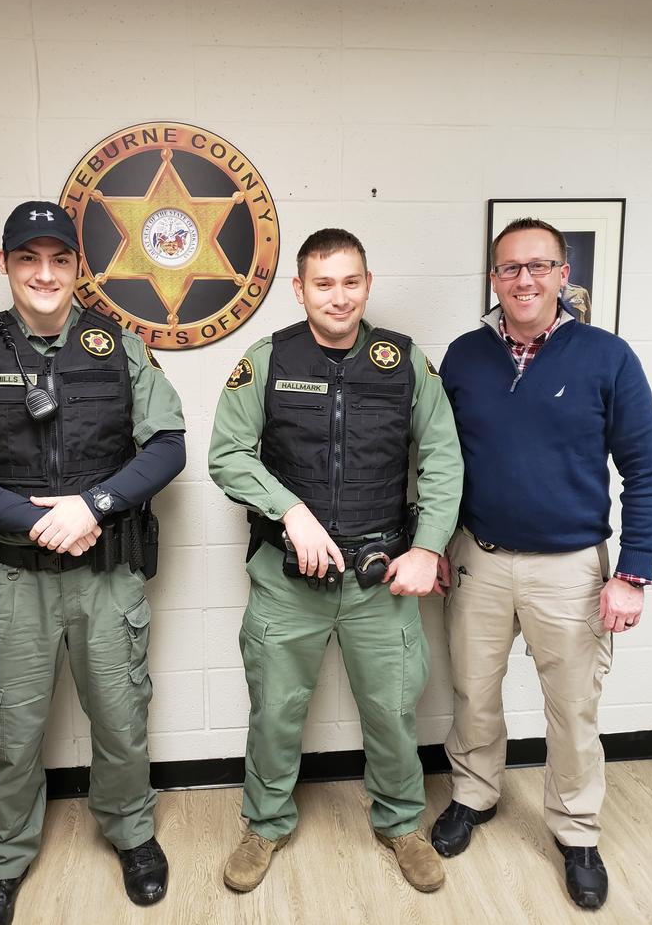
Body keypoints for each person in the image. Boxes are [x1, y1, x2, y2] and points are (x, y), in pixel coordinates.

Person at [0, 202, 187, 925]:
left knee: (122, 713)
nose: (44, 274)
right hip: (11, 578)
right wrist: (42, 521)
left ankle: (132, 833)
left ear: (78, 268)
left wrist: (92, 505)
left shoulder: (120, 347)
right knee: (8, 728)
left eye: (59, 260)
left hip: (108, 572)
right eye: (28, 259)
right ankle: (3, 859)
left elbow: (168, 444)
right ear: (4, 264)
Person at [208, 228, 463, 894]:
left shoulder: (404, 363)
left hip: (381, 577)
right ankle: (264, 824)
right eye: (324, 283)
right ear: (300, 289)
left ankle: (402, 821)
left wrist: (428, 547)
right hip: (288, 581)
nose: (339, 296)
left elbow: (443, 459)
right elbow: (227, 454)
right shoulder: (266, 360)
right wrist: (291, 512)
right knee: (275, 709)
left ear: (368, 285)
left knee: (392, 708)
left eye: (352, 281)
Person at [433, 217, 652, 911]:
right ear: (494, 278)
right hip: (478, 558)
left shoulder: (607, 356)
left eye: (539, 266)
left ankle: (575, 829)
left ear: (565, 276)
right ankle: (474, 795)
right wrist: (437, 543)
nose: (524, 279)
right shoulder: (464, 357)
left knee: (572, 708)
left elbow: (647, 471)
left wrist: (632, 572)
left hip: (571, 569)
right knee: (474, 693)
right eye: (510, 268)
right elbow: (441, 465)